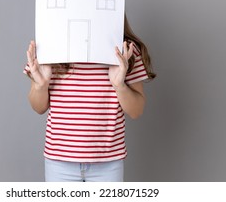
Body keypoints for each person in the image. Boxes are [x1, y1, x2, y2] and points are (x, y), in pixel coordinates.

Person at [24, 15, 156, 182]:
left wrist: (119, 86)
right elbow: (38, 107)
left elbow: (136, 111)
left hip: (108, 163)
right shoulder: (49, 46)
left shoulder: (126, 50)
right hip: (59, 162)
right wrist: (41, 85)